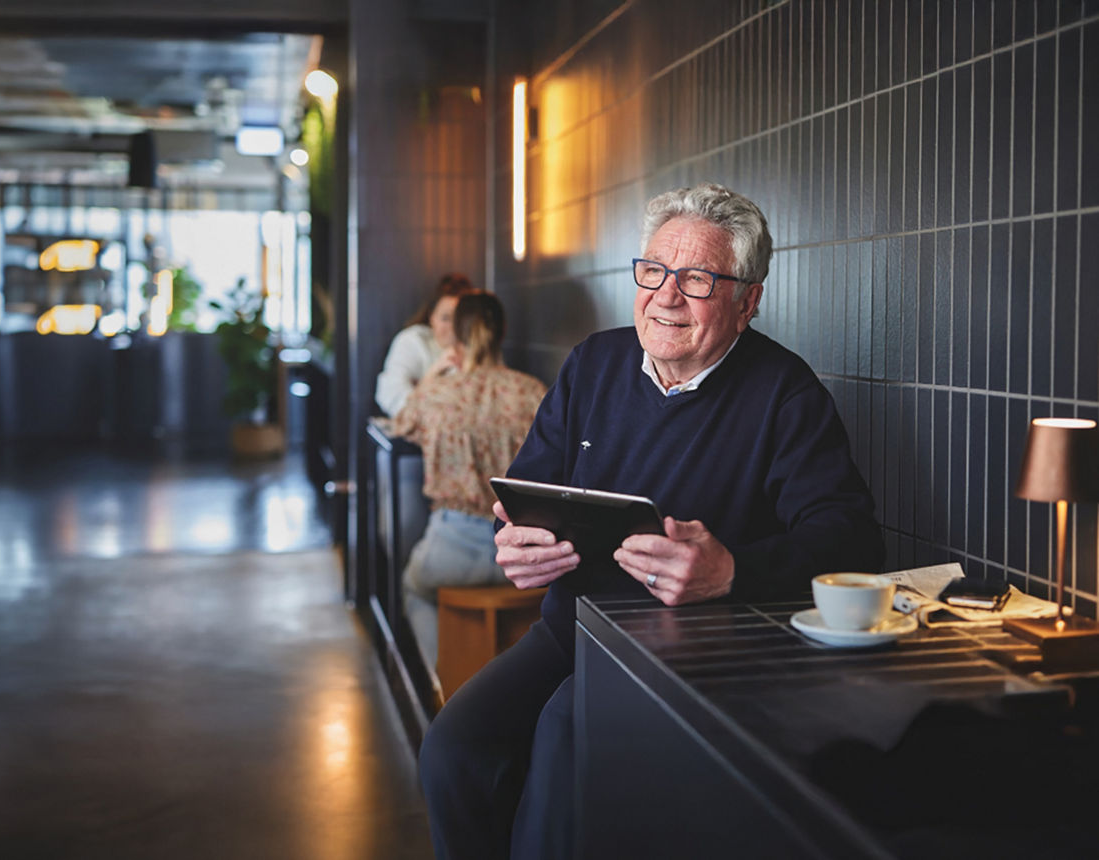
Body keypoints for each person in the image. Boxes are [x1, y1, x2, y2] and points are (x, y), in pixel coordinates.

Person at [417, 183, 886, 860]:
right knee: (453, 752)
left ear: (747, 299)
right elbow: (525, 498)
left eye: (697, 279)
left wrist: (732, 570)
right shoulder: (594, 364)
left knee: (561, 740)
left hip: (693, 647)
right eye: (654, 271)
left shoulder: (785, 392)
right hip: (572, 627)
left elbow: (849, 537)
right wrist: (512, 545)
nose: (667, 296)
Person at [391, 291, 547, 672]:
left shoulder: (438, 394)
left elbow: (401, 423)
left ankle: (442, 687)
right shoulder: (532, 391)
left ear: (454, 337)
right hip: (520, 554)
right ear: (502, 331)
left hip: (451, 550)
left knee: (413, 588)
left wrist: (433, 375)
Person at [375, 272, 478, 417]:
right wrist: (432, 375)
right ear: (432, 318)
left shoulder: (478, 347)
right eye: (446, 318)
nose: (454, 327)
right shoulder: (413, 341)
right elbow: (391, 397)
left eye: (460, 319)